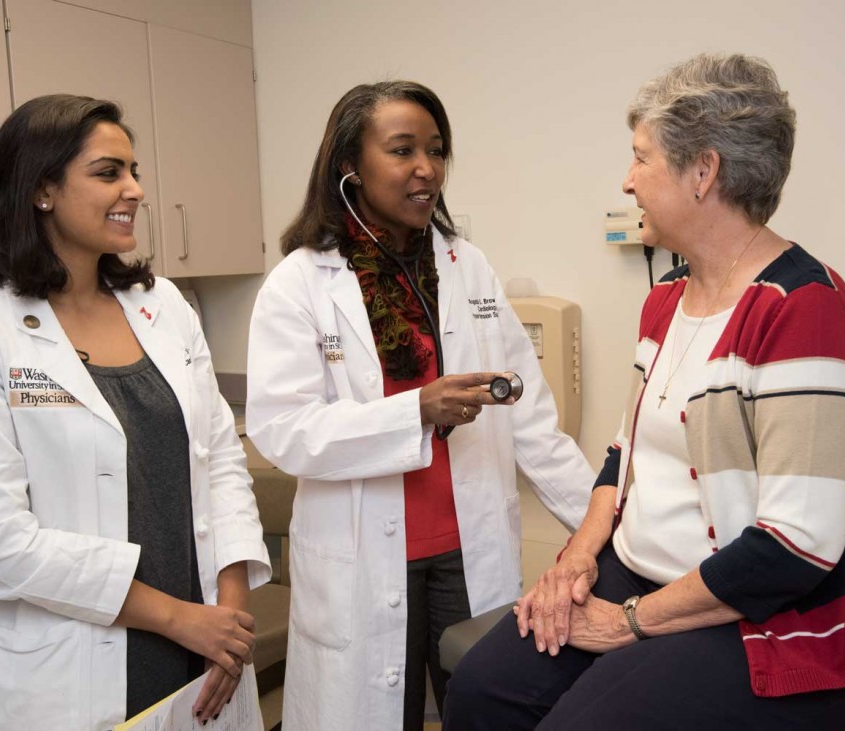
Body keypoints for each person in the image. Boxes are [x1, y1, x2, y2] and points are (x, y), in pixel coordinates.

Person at [443, 53, 845, 731]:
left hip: (775, 606)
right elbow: (623, 455)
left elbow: (795, 546)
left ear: (704, 172)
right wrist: (577, 557)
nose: (627, 180)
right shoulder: (667, 296)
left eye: (641, 158)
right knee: (481, 689)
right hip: (648, 573)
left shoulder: (804, 305)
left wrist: (627, 623)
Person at [245, 80, 595, 730]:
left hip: (470, 550)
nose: (426, 167)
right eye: (402, 149)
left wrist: (606, 528)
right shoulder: (298, 284)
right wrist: (416, 412)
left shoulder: (469, 267)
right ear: (349, 165)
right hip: (363, 554)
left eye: (435, 150)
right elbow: (282, 431)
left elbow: (531, 417)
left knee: (483, 709)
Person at [0, 94, 271, 730]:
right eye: (109, 172)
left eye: (135, 171)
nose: (135, 189)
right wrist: (183, 619)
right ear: (42, 190)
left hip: (203, 655)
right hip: (68, 672)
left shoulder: (162, 304)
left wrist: (229, 618)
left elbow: (220, 462)